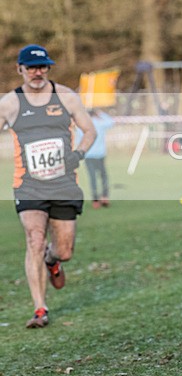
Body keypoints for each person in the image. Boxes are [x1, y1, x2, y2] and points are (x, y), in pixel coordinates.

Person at [0, 45, 96, 328]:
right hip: (28, 185)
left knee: (64, 249)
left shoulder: (66, 97)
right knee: (34, 239)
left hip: (64, 184)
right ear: (20, 70)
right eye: (30, 67)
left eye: (41, 67)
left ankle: (53, 261)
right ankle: (40, 308)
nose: (37, 73)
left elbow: (90, 130)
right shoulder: (9, 103)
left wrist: (77, 155)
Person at [76, 109, 114, 208]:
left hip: (88, 155)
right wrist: (101, 113)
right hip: (100, 155)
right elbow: (111, 122)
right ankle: (105, 197)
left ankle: (95, 200)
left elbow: (79, 141)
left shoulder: (82, 128)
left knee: (92, 178)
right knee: (103, 176)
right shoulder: (100, 124)